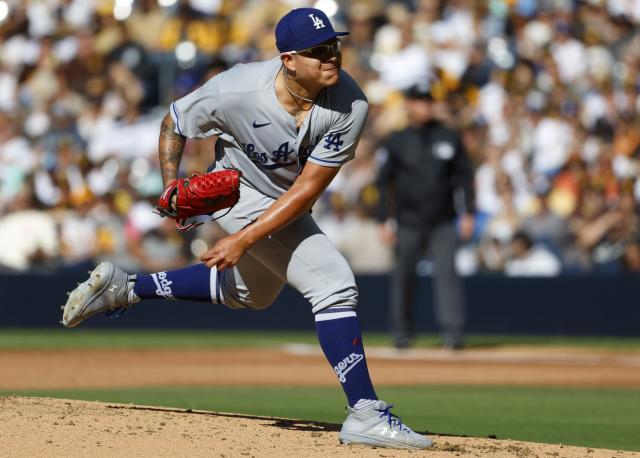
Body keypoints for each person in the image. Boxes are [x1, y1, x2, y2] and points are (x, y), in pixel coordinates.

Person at [61, 8, 431, 450]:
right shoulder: (238, 88)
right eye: (319, 51)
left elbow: (307, 189)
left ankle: (128, 288)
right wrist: (171, 187)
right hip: (238, 192)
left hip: (286, 200)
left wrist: (244, 240)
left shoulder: (350, 103)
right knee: (333, 284)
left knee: (250, 294)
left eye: (335, 45)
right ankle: (365, 411)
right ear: (289, 59)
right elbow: (175, 122)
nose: (332, 56)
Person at [376, 82, 475, 350]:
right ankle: (402, 332)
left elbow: (464, 177)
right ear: (409, 105)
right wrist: (384, 219)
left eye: (428, 102)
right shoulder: (397, 140)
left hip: (442, 220)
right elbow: (385, 183)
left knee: (447, 275)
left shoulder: (449, 137)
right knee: (404, 277)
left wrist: (468, 213)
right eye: (419, 101)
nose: (424, 106)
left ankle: (452, 333)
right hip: (408, 221)